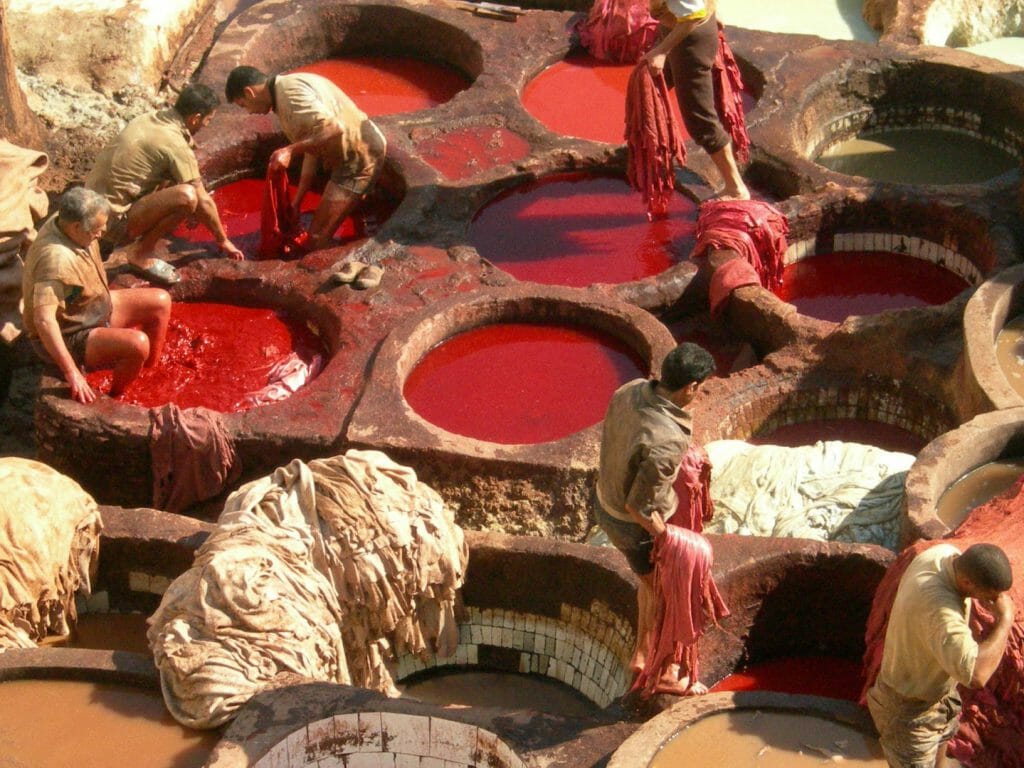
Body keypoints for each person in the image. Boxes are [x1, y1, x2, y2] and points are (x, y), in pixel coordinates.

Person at [595, 341, 716, 694]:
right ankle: (657, 668)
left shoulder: (630, 390)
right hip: (630, 521)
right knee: (665, 588)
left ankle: (642, 653)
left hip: (605, 498)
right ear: (690, 387)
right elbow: (640, 507)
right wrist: (672, 541)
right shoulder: (667, 440)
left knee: (648, 583)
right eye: (701, 388)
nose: (700, 393)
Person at [866, 543, 1015, 768]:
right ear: (967, 582)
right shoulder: (940, 611)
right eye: (990, 596)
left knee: (940, 755)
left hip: (938, 692)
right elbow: (976, 675)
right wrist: (1004, 621)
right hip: (908, 710)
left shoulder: (944, 553)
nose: (994, 602)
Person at [21, 187, 171, 404]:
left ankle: (149, 371)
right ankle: (117, 395)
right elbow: (43, 320)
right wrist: (71, 371)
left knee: (161, 301)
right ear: (75, 227)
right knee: (138, 343)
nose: (101, 234)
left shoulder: (67, 220)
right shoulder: (54, 261)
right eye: (96, 230)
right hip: (72, 331)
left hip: (92, 307)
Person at [86, 83, 243, 285]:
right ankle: (140, 253)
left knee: (171, 174)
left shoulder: (149, 119)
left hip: (89, 207)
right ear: (195, 118)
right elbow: (202, 199)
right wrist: (223, 239)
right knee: (188, 197)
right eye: (207, 120)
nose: (206, 126)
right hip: (110, 223)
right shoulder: (175, 144)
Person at [224, 65, 387, 252]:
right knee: (353, 212)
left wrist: (289, 151)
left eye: (243, 105)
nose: (248, 112)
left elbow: (334, 128)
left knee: (316, 239)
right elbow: (312, 147)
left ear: (249, 92)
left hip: (359, 157)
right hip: (358, 147)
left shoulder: (290, 95)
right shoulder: (284, 88)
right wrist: (297, 201)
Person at [643, 0, 749, 200]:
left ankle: (736, 188)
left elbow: (692, 16)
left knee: (699, 119)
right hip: (681, 29)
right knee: (653, 88)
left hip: (690, 40)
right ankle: (653, 153)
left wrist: (662, 51)